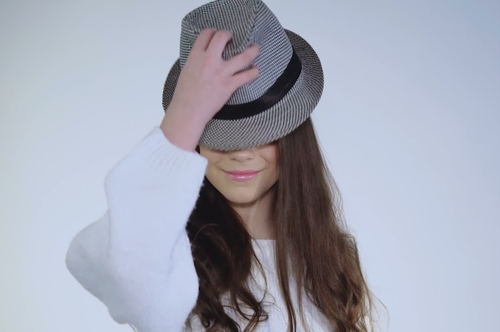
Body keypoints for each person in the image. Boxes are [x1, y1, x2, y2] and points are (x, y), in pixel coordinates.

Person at [65, 0, 382, 331]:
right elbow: (120, 268)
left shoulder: (332, 262)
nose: (241, 152)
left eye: (263, 129)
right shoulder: (171, 258)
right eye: (219, 131)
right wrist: (185, 114)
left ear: (293, 134)